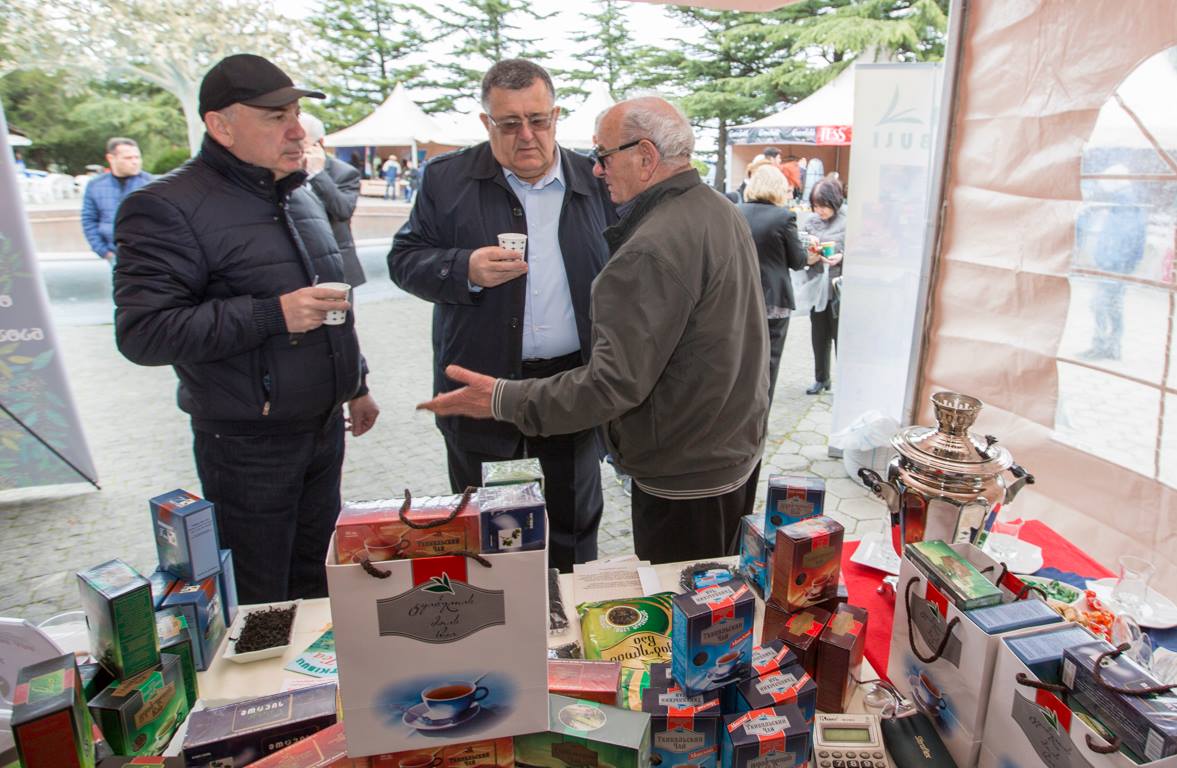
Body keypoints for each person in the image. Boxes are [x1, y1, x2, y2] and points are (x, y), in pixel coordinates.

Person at [417, 96, 769, 566]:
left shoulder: (650, 247)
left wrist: (501, 398)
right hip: (729, 449)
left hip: (685, 469)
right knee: (718, 586)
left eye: (603, 156)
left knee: (683, 597)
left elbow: (610, 384)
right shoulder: (717, 208)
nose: (597, 170)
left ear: (645, 157)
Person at [113, 53, 380, 604]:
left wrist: (357, 384)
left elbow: (331, 303)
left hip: (322, 431)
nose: (296, 130)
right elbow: (144, 332)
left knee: (317, 587)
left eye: (296, 114)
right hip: (247, 446)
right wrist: (270, 315)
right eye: (275, 117)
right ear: (220, 125)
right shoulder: (165, 206)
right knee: (260, 602)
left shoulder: (299, 194)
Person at [389, 59, 614, 573]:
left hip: (569, 383)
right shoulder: (447, 179)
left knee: (573, 526)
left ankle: (566, 616)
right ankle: (500, 615)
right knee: (489, 532)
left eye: (538, 120)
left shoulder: (595, 178)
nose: (527, 135)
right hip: (480, 384)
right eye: (509, 123)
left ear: (556, 116)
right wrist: (462, 267)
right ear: (485, 122)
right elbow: (403, 260)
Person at [737, 166, 808, 407]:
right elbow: (798, 260)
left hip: (741, 297)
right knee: (769, 363)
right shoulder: (784, 217)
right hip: (773, 300)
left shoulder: (737, 212)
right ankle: (760, 418)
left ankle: (740, 414)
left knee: (743, 361)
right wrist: (811, 254)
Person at [299, 113, 367, 287]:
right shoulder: (282, 168)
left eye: (302, 142)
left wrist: (317, 174)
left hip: (335, 267)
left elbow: (342, 211)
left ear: (318, 143)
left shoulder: (344, 172)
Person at [800, 177, 847, 394]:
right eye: (816, 206)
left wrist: (842, 256)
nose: (819, 211)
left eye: (824, 206)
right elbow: (801, 249)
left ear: (834, 201)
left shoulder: (848, 221)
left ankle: (845, 383)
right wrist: (810, 254)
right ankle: (821, 378)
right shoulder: (811, 222)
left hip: (839, 288)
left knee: (840, 337)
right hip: (817, 286)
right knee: (819, 335)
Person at [81, 138, 153, 263]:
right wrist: (103, 251)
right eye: (128, 158)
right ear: (111, 158)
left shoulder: (151, 184)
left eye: (137, 157)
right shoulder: (95, 185)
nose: (135, 162)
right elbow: (89, 220)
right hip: (114, 254)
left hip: (147, 253)